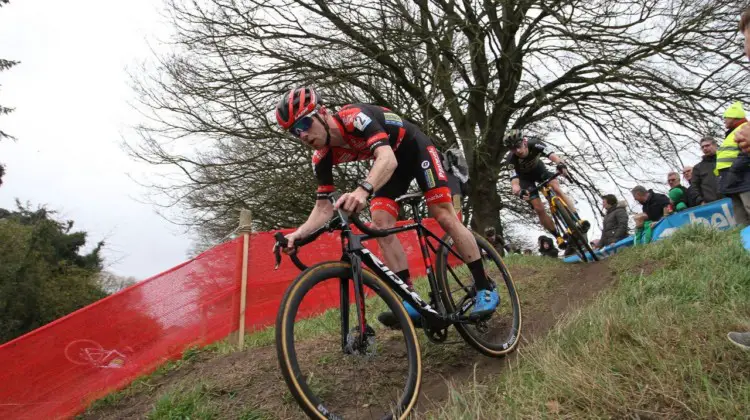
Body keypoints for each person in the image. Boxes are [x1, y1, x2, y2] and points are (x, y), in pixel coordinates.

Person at [275, 87, 499, 328]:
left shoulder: (354, 118)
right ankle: (410, 299)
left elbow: (387, 159)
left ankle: (484, 287)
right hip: (393, 168)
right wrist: (297, 234)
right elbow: (322, 208)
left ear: (323, 112)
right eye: (295, 132)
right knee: (380, 222)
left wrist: (362, 191)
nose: (303, 135)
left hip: (416, 150)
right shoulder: (322, 157)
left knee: (443, 215)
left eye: (305, 124)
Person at [502, 129, 590, 249]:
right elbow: (514, 182)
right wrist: (518, 191)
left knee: (556, 189)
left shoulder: (535, 144)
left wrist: (561, 164)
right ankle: (557, 236)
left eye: (518, 146)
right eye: (513, 149)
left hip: (540, 171)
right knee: (539, 208)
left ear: (524, 141)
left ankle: (578, 220)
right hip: (525, 180)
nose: (517, 151)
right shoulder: (511, 160)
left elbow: (553, 156)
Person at [714, 101, 750, 227]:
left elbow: (745, 154)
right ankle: (746, 244)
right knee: (740, 217)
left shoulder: (744, 129)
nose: (724, 120)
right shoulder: (732, 133)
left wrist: (733, 171)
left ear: (735, 118)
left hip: (743, 177)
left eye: (726, 117)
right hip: (732, 179)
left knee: (747, 210)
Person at [691, 137, 722, 205]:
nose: (705, 148)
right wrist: (700, 201)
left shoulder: (724, 160)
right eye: (702, 147)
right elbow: (694, 187)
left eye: (707, 145)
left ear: (715, 145)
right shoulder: (698, 168)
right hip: (711, 204)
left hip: (732, 198)